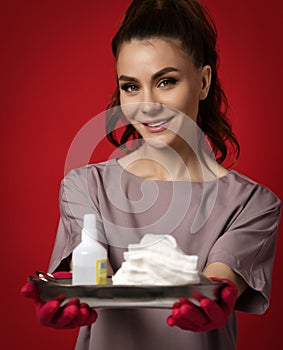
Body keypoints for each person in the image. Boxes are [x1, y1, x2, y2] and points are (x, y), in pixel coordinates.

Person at [21, 1, 281, 349]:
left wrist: (215, 298)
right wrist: (71, 295)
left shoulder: (252, 203)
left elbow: (218, 281)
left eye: (166, 82)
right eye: (131, 86)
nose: (147, 105)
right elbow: (93, 273)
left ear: (203, 82)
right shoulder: (85, 186)